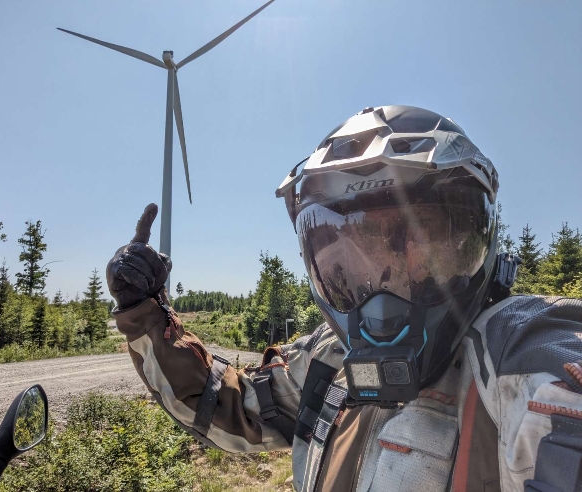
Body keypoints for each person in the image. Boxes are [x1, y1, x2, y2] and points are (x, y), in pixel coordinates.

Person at [107, 105, 582, 491]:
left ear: (474, 246)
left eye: (424, 245)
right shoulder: (327, 359)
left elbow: (559, 382)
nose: (384, 294)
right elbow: (226, 407)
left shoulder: (513, 358)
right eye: (353, 263)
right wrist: (145, 313)